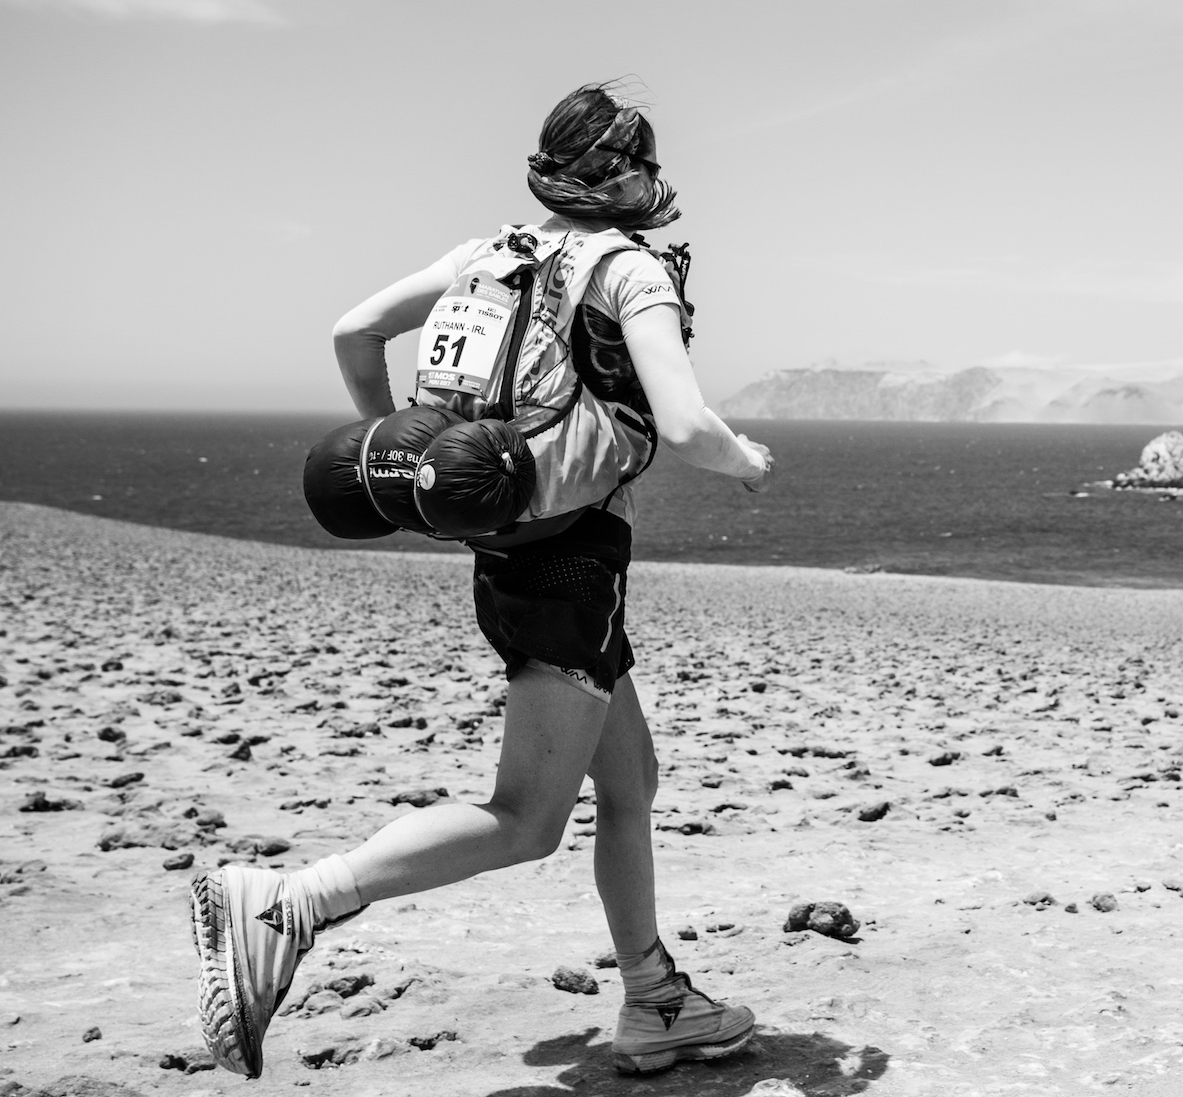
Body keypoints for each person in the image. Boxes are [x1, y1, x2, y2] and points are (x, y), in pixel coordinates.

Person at [191, 82, 774, 1079]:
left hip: (507, 548)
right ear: (630, 178)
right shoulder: (629, 270)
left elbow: (354, 329)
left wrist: (403, 447)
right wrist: (747, 460)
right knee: (528, 819)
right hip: (572, 564)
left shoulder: (487, 254)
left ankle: (655, 1000)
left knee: (630, 779)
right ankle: (290, 902)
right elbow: (683, 425)